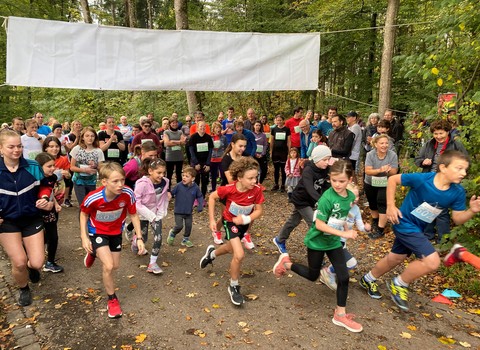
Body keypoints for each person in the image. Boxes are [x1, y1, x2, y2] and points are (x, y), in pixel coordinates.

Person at [359, 150, 480, 311]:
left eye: (465, 169)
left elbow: (457, 219)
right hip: (403, 221)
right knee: (432, 261)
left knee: (396, 258)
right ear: (443, 167)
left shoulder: (457, 192)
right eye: (459, 168)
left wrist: (471, 211)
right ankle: (399, 284)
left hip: (418, 228)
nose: (463, 173)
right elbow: (394, 179)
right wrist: (390, 206)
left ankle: (367, 279)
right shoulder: (423, 180)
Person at [273, 160, 363, 333]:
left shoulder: (350, 197)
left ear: (350, 180)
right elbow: (320, 225)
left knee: (343, 277)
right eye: (334, 180)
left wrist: (345, 227)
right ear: (330, 178)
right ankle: (285, 264)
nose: (337, 184)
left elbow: (341, 216)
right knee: (312, 275)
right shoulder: (326, 199)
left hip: (333, 242)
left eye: (342, 181)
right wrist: (344, 234)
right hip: (317, 242)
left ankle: (340, 314)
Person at [80, 162, 144, 319]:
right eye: (115, 181)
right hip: (97, 231)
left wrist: (139, 237)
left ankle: (94, 253)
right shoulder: (93, 198)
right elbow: (84, 214)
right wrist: (84, 236)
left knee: (115, 266)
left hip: (116, 232)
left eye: (122, 180)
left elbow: (134, 215)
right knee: (108, 266)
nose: (120, 184)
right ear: (104, 182)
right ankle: (112, 300)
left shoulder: (128, 194)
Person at [200, 157, 265, 306]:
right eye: (250, 178)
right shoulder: (229, 188)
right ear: (240, 178)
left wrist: (246, 219)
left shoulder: (256, 190)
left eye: (256, 177)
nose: (254, 181)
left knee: (230, 248)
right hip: (230, 222)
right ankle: (234, 286)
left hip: (242, 224)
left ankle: (211, 254)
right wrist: (211, 220)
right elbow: (212, 197)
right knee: (239, 254)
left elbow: (259, 211)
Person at [0, 130, 50, 306]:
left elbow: (45, 186)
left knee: (36, 263)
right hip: (7, 222)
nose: (16, 150)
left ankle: (32, 268)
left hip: (31, 218)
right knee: (19, 262)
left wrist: (44, 198)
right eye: (11, 147)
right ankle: (23, 288)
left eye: (19, 146)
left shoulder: (32, 166)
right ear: (1, 148)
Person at [414, 119, 468, 243]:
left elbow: (465, 162)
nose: (438, 137)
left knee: (441, 210)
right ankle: (428, 235)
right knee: (427, 207)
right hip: (429, 179)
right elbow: (417, 159)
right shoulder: (429, 144)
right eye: (436, 134)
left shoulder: (455, 145)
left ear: (448, 132)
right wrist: (423, 162)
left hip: (447, 181)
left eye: (441, 133)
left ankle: (443, 240)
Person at [273, 145, 332, 253]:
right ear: (317, 158)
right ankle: (316, 252)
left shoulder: (325, 169)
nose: (327, 162)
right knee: (315, 224)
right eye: (324, 160)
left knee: (293, 221)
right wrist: (322, 201)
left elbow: (325, 185)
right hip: (301, 200)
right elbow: (310, 189)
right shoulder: (308, 170)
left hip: (311, 201)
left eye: (328, 159)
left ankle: (279, 239)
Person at [319, 183, 371, 290]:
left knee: (348, 263)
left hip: (342, 242)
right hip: (333, 240)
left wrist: (366, 228)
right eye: (353, 196)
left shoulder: (356, 209)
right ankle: (328, 272)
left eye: (357, 196)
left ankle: (328, 272)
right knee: (350, 262)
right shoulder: (337, 205)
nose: (356, 199)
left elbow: (360, 226)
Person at [131, 158, 170, 274]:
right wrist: (148, 214)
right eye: (159, 173)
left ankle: (152, 263)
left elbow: (162, 196)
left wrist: (165, 202)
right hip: (143, 214)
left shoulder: (165, 181)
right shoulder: (142, 184)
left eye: (163, 172)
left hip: (156, 214)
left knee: (158, 237)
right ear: (150, 171)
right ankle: (135, 240)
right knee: (144, 238)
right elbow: (136, 202)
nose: (161, 175)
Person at [211, 134, 249, 246]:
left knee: (243, 214)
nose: (243, 149)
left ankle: (242, 234)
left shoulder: (245, 156)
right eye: (240, 146)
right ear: (232, 144)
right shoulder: (226, 160)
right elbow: (231, 181)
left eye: (244, 146)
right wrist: (245, 181)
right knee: (226, 216)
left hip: (242, 191)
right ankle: (216, 231)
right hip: (227, 193)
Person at [364, 134, 399, 239]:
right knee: (372, 202)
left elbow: (394, 172)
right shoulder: (370, 154)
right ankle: (375, 220)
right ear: (375, 144)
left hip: (385, 183)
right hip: (370, 182)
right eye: (382, 143)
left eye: (386, 143)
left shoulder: (392, 155)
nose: (384, 145)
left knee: (381, 203)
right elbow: (367, 171)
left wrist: (389, 171)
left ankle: (380, 229)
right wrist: (380, 170)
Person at [35, 152, 64, 273]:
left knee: (53, 237)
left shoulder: (52, 178)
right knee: (37, 238)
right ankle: (32, 264)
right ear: (39, 167)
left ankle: (50, 262)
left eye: (54, 165)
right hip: (35, 213)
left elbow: (50, 192)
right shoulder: (34, 179)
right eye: (49, 166)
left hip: (50, 210)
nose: (53, 168)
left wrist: (55, 204)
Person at [167, 167, 204, 247]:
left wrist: (201, 205)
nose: (184, 177)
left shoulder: (195, 187)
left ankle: (185, 240)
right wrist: (168, 195)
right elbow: (172, 193)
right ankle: (173, 233)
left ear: (193, 178)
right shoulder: (178, 186)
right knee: (179, 226)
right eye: (183, 175)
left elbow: (200, 196)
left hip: (188, 212)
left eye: (187, 176)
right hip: (178, 211)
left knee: (189, 226)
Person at [70, 127, 105, 206]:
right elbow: (72, 167)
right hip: (78, 181)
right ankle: (83, 218)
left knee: (90, 204)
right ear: (82, 137)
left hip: (91, 182)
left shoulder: (98, 151)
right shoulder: (77, 149)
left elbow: (101, 168)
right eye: (87, 136)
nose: (90, 138)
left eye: (92, 136)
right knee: (83, 204)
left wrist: (95, 166)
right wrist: (85, 170)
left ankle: (89, 218)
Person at [189, 121, 214, 198]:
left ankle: (202, 197)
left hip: (205, 162)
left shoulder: (208, 138)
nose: (202, 128)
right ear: (197, 128)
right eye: (201, 126)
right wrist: (196, 163)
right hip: (196, 162)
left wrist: (208, 164)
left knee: (204, 181)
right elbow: (191, 151)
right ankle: (195, 197)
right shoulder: (193, 137)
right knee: (196, 180)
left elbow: (210, 152)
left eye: (204, 126)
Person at [163, 117, 187, 188]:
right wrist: (178, 142)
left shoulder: (180, 132)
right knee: (169, 174)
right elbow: (167, 143)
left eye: (176, 122)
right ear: (170, 124)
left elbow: (183, 142)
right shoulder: (166, 132)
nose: (174, 124)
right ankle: (168, 189)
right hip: (170, 157)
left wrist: (173, 141)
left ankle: (179, 189)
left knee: (179, 173)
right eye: (173, 123)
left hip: (179, 156)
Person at [270, 114, 291, 192]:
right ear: (276, 121)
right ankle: (276, 184)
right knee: (276, 169)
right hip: (275, 152)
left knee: (283, 169)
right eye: (277, 120)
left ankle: (283, 185)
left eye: (280, 120)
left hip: (284, 152)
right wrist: (271, 151)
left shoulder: (287, 129)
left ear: (283, 121)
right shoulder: (274, 129)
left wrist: (289, 152)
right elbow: (271, 141)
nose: (279, 122)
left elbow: (289, 141)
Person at [210, 122, 227, 192]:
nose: (218, 129)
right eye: (216, 128)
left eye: (219, 127)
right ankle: (213, 189)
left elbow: (227, 147)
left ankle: (222, 190)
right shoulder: (210, 138)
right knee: (213, 176)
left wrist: (225, 155)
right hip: (213, 159)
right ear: (213, 129)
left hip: (221, 159)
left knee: (223, 175)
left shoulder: (224, 137)